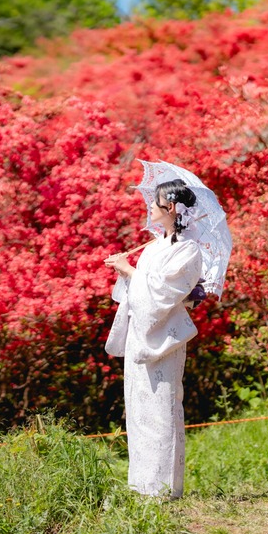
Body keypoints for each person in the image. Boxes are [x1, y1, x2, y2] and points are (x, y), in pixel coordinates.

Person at [103, 179, 203, 500]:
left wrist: (130, 271)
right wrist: (125, 272)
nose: (149, 205)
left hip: (165, 340)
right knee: (138, 409)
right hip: (140, 336)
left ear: (171, 208)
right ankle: (141, 485)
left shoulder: (188, 248)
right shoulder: (153, 246)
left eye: (155, 201)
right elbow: (140, 293)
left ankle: (163, 489)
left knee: (162, 410)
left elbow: (166, 292)